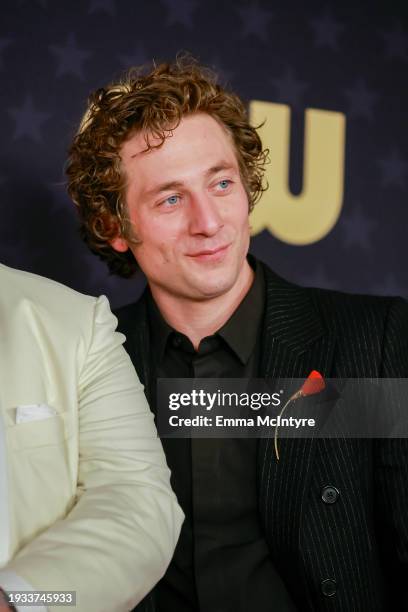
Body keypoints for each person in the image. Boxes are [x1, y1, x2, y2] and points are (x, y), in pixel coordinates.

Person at [66, 57, 408, 612]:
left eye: (221, 183)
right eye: (170, 198)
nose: (208, 221)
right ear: (115, 226)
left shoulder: (372, 340)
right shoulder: (88, 361)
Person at [0, 263, 184, 612]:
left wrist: (20, 599)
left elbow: (139, 501)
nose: (205, 224)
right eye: (170, 203)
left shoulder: (75, 322)